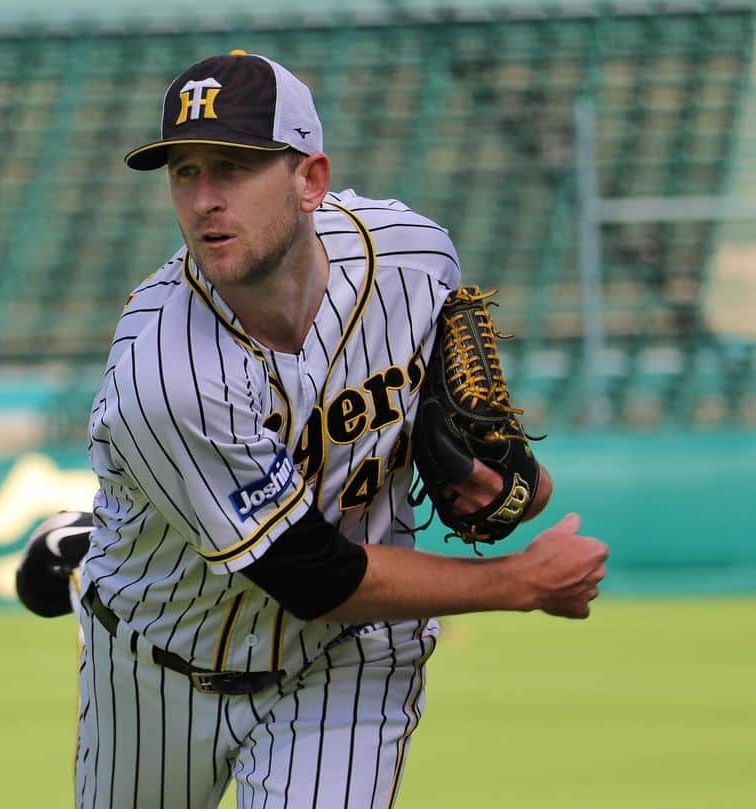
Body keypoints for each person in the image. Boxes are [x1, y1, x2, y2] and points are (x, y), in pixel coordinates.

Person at [69, 50, 608, 809]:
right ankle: (98, 531)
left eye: (233, 164)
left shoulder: (415, 258)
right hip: (157, 671)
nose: (204, 198)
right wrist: (521, 581)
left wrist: (495, 482)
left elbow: (473, 438)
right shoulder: (164, 372)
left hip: (346, 663)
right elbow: (311, 575)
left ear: (311, 179)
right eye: (185, 171)